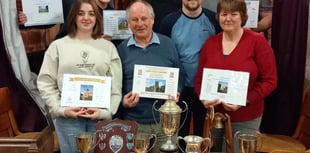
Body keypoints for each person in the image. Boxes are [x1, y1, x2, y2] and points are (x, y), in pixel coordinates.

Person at [37, 0, 122, 152]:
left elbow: (116, 86)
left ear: (97, 17)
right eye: (80, 13)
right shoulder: (58, 46)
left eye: (91, 14)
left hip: (99, 117)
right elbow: (45, 82)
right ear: (73, 17)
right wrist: (60, 109)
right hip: (68, 118)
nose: (86, 18)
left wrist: (105, 112)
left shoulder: (108, 48)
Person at [194, 0, 277, 152]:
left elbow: (270, 81)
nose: (228, 18)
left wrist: (245, 100)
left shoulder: (257, 42)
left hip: (246, 116)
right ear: (218, 16)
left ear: (243, 16)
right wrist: (203, 97)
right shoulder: (210, 44)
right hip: (215, 117)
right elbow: (200, 79)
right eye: (224, 14)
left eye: (234, 14)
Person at [116, 0, 184, 152]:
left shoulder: (168, 44)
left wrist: (177, 91)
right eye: (134, 20)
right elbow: (115, 86)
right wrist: (123, 101)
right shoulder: (121, 50)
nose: (140, 23)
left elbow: (180, 74)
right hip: (134, 123)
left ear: (152, 20)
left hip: (165, 122)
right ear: (128, 23)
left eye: (144, 18)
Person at [159, 0, 221, 143]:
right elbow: (164, 55)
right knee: (178, 136)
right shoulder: (169, 22)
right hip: (179, 90)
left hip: (206, 89)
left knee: (203, 137)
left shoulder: (214, 20)